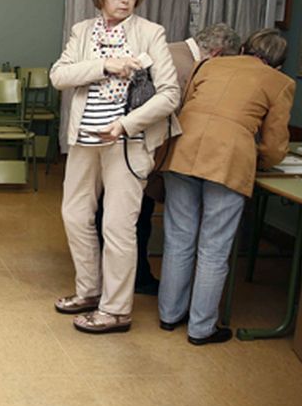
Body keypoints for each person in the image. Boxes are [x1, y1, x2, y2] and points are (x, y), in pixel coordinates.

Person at [51, 0, 180, 334]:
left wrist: (125, 124)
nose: (126, 0)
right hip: (85, 138)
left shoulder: (150, 33)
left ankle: (116, 309)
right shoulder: (82, 32)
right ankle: (89, 290)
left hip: (127, 140)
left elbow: (170, 94)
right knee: (75, 214)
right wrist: (105, 65)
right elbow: (59, 75)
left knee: (118, 225)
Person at [158, 29, 294, 345]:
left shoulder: (208, 65)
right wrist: (260, 159)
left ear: (244, 48)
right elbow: (274, 146)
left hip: (183, 150)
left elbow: (185, 106)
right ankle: (201, 328)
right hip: (229, 160)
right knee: (214, 248)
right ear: (278, 64)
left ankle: (169, 315)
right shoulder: (281, 83)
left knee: (178, 238)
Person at [94, 23, 243, 296]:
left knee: (116, 212)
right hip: (139, 147)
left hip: (118, 139)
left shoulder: (170, 50)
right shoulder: (186, 66)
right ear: (218, 54)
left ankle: (112, 274)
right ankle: (132, 279)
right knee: (134, 219)